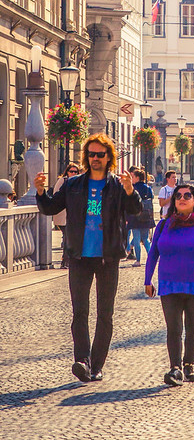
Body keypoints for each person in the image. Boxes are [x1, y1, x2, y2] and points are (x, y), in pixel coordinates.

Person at [34, 133, 141, 382]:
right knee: (79, 313)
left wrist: (129, 190)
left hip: (108, 257)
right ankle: (82, 360)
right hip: (79, 257)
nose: (95, 158)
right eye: (91, 154)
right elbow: (50, 208)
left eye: (100, 155)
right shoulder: (74, 185)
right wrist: (40, 192)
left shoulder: (116, 186)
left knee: (105, 314)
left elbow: (135, 209)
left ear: (109, 157)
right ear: (86, 157)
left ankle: (96, 365)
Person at [144, 183, 194, 386]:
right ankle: (175, 367)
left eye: (187, 195)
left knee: (193, 328)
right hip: (169, 284)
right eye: (178, 195)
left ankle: (189, 364)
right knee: (174, 328)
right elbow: (153, 253)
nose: (182, 198)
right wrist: (148, 279)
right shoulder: (163, 225)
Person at [52, 163, 80, 268]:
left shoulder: (77, 182)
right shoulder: (63, 181)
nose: (73, 173)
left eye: (75, 172)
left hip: (72, 216)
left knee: (69, 238)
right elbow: (57, 196)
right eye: (71, 171)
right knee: (68, 238)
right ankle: (65, 261)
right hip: (63, 215)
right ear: (67, 172)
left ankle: (67, 260)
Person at [128, 168, 155, 267]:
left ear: (138, 178)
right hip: (146, 215)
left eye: (133, 177)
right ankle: (151, 258)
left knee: (136, 238)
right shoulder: (148, 187)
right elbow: (151, 199)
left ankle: (138, 260)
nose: (132, 178)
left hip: (135, 215)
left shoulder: (133, 188)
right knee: (145, 239)